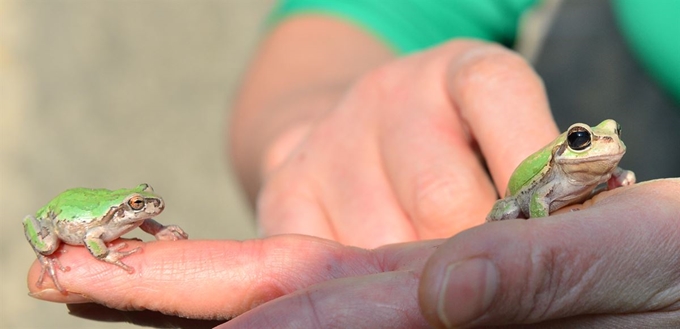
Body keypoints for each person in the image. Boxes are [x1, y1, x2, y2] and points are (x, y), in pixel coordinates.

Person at [28, 1, 680, 327]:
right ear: (573, 144)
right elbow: (375, 13)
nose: (602, 146)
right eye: (588, 139)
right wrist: (302, 134)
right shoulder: (565, 164)